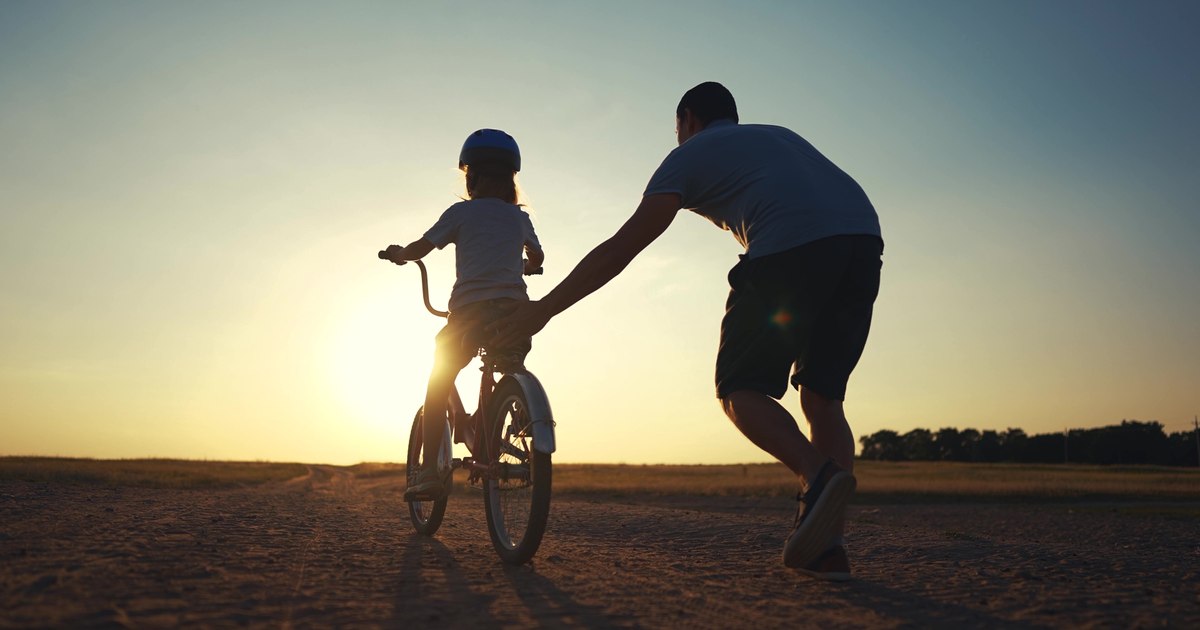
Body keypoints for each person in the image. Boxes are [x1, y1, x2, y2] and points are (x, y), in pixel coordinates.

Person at [491, 82, 882, 579]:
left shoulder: (689, 155)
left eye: (677, 127)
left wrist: (544, 309)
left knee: (739, 390)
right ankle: (828, 546)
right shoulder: (778, 136)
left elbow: (621, 248)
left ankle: (818, 476)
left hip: (790, 246)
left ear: (688, 119)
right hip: (863, 242)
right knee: (823, 398)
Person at [382, 128, 544, 501]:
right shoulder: (519, 218)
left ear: (470, 178)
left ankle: (427, 474)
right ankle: (518, 407)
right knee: (513, 355)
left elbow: (423, 246)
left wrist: (400, 253)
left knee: (439, 378)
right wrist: (526, 266)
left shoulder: (461, 213)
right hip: (513, 314)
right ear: (510, 181)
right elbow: (537, 258)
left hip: (469, 315)